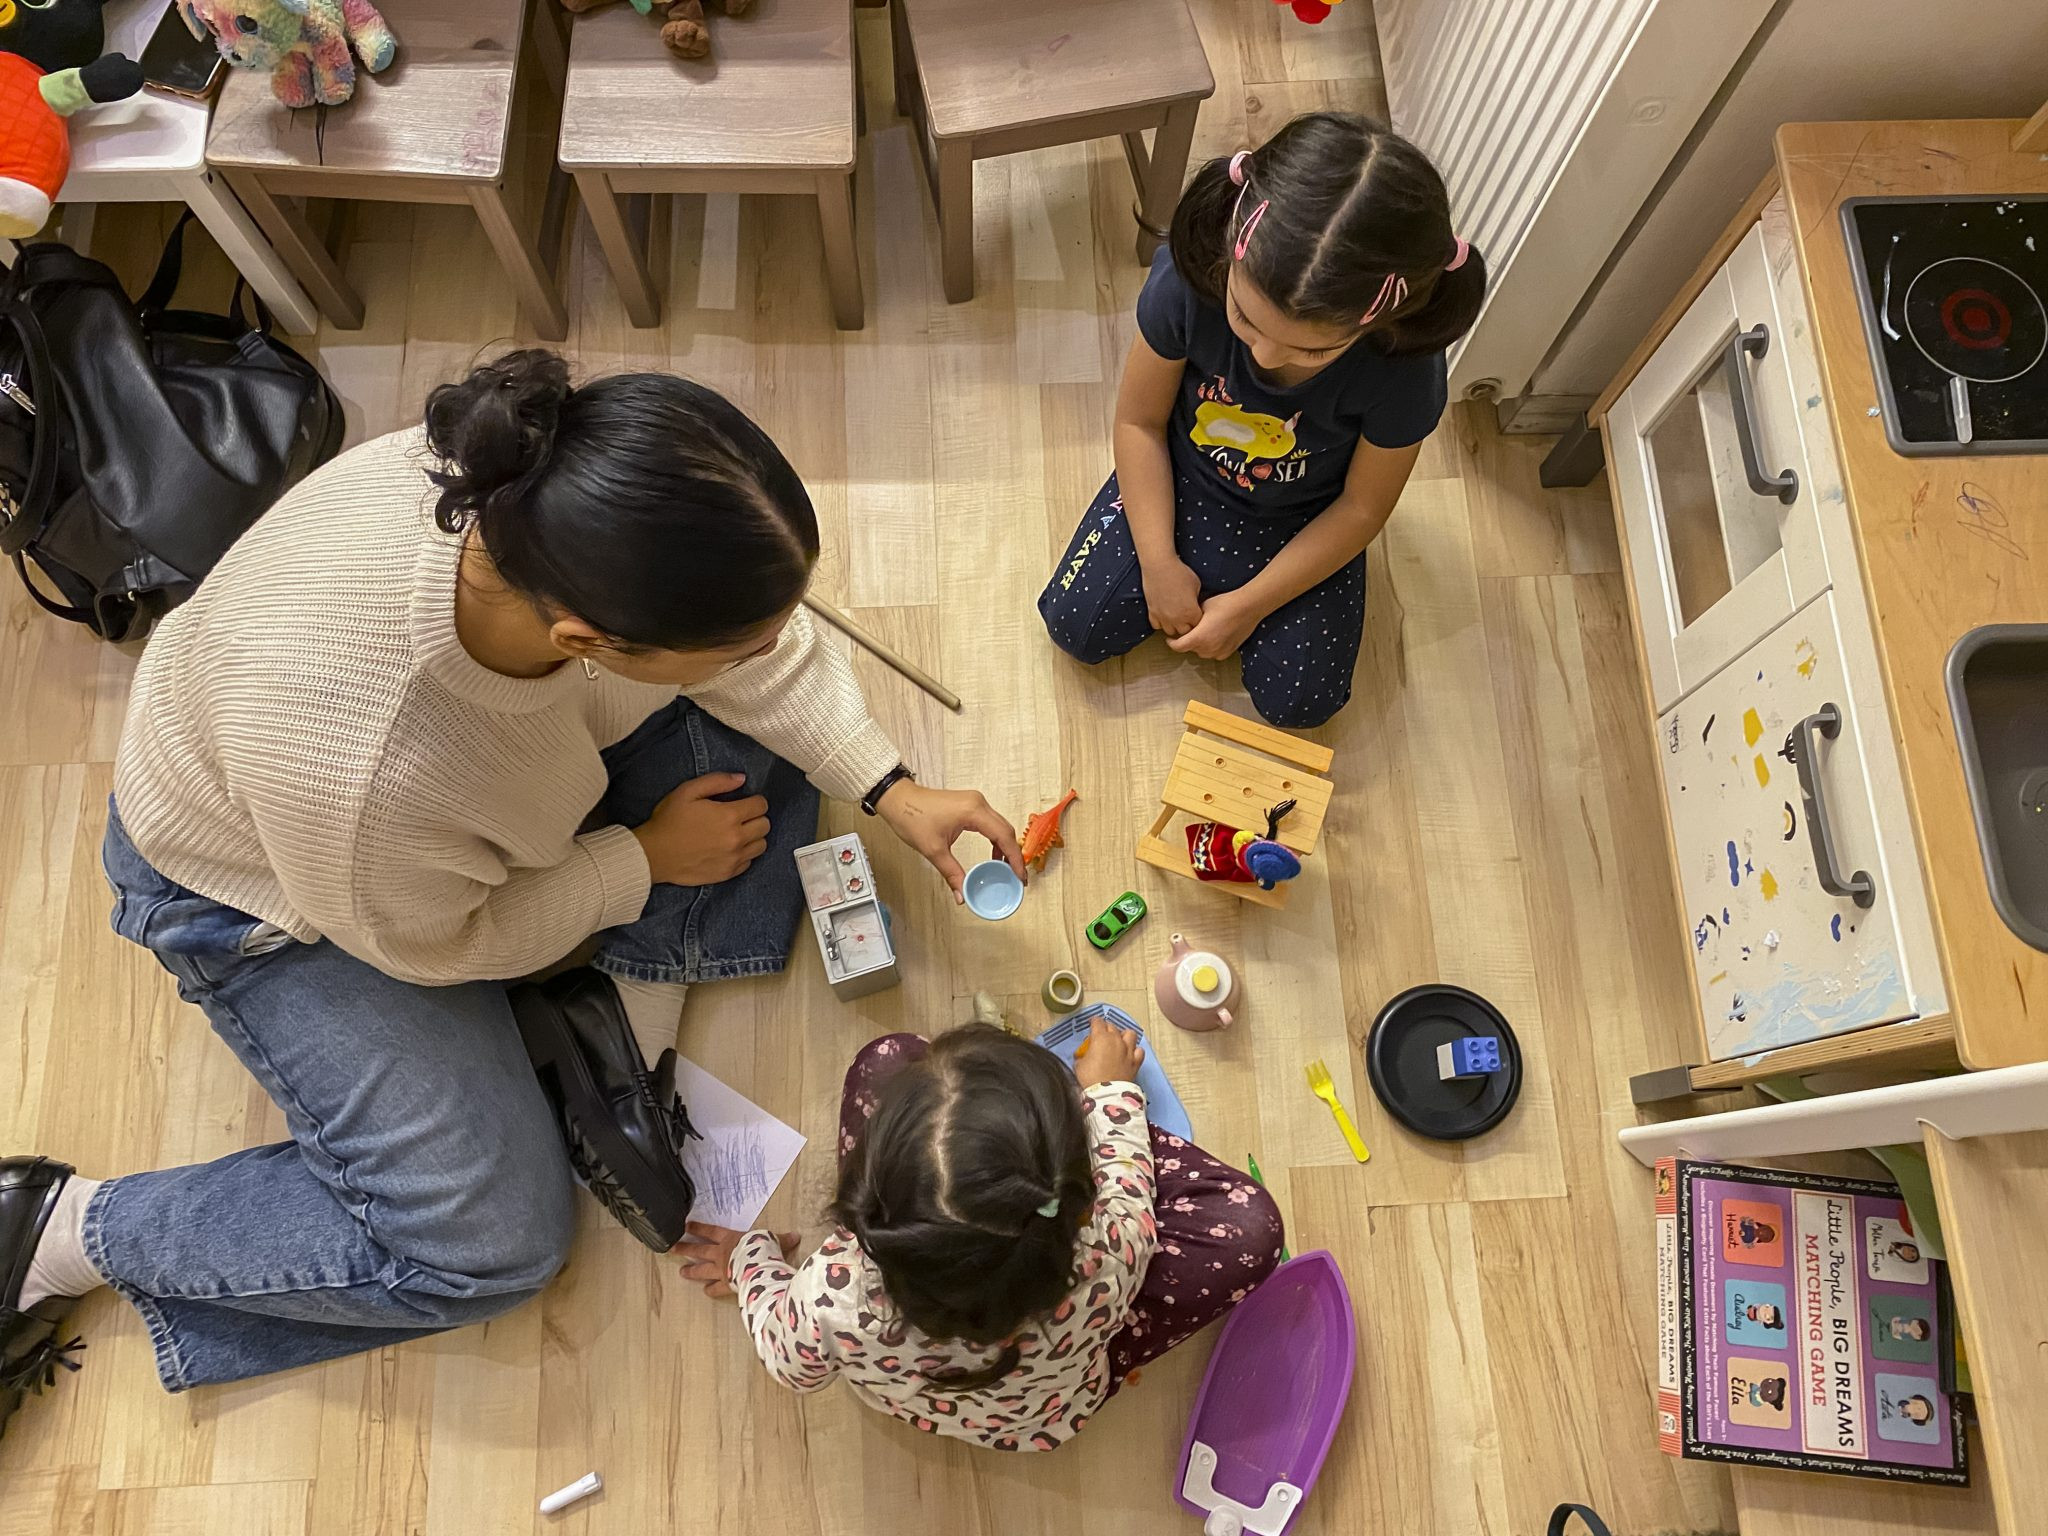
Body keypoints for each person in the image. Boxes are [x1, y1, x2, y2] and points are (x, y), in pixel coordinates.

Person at [0, 350, 1024, 1423]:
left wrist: (886, 787)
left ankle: (612, 1034)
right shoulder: (372, 769)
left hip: (442, 823)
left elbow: (759, 660)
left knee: (769, 757)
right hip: (271, 899)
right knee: (492, 1242)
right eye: (742, 639)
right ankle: (62, 1231)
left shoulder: (527, 493)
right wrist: (636, 862)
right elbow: (441, 943)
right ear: (586, 641)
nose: (779, 645)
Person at [1038, 112, 1486, 729]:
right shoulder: (1189, 281)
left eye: (1314, 351)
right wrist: (1158, 562)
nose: (1266, 357)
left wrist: (1249, 606)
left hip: (1304, 519)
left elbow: (1361, 510)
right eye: (1246, 319)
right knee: (1074, 625)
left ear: (1380, 324)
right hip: (1182, 479)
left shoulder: (1404, 367)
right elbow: (1139, 424)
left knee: (1302, 704)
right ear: (1228, 257)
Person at [677, 1020, 1284, 1451]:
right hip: (1047, 1406)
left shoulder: (832, 1298)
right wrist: (1109, 1092)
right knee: (1253, 1228)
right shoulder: (1109, 1253)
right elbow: (1127, 1183)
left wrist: (749, 1261)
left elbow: (789, 1362)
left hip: (932, 1400)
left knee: (888, 1056)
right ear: (1078, 1204)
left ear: (867, 1198)